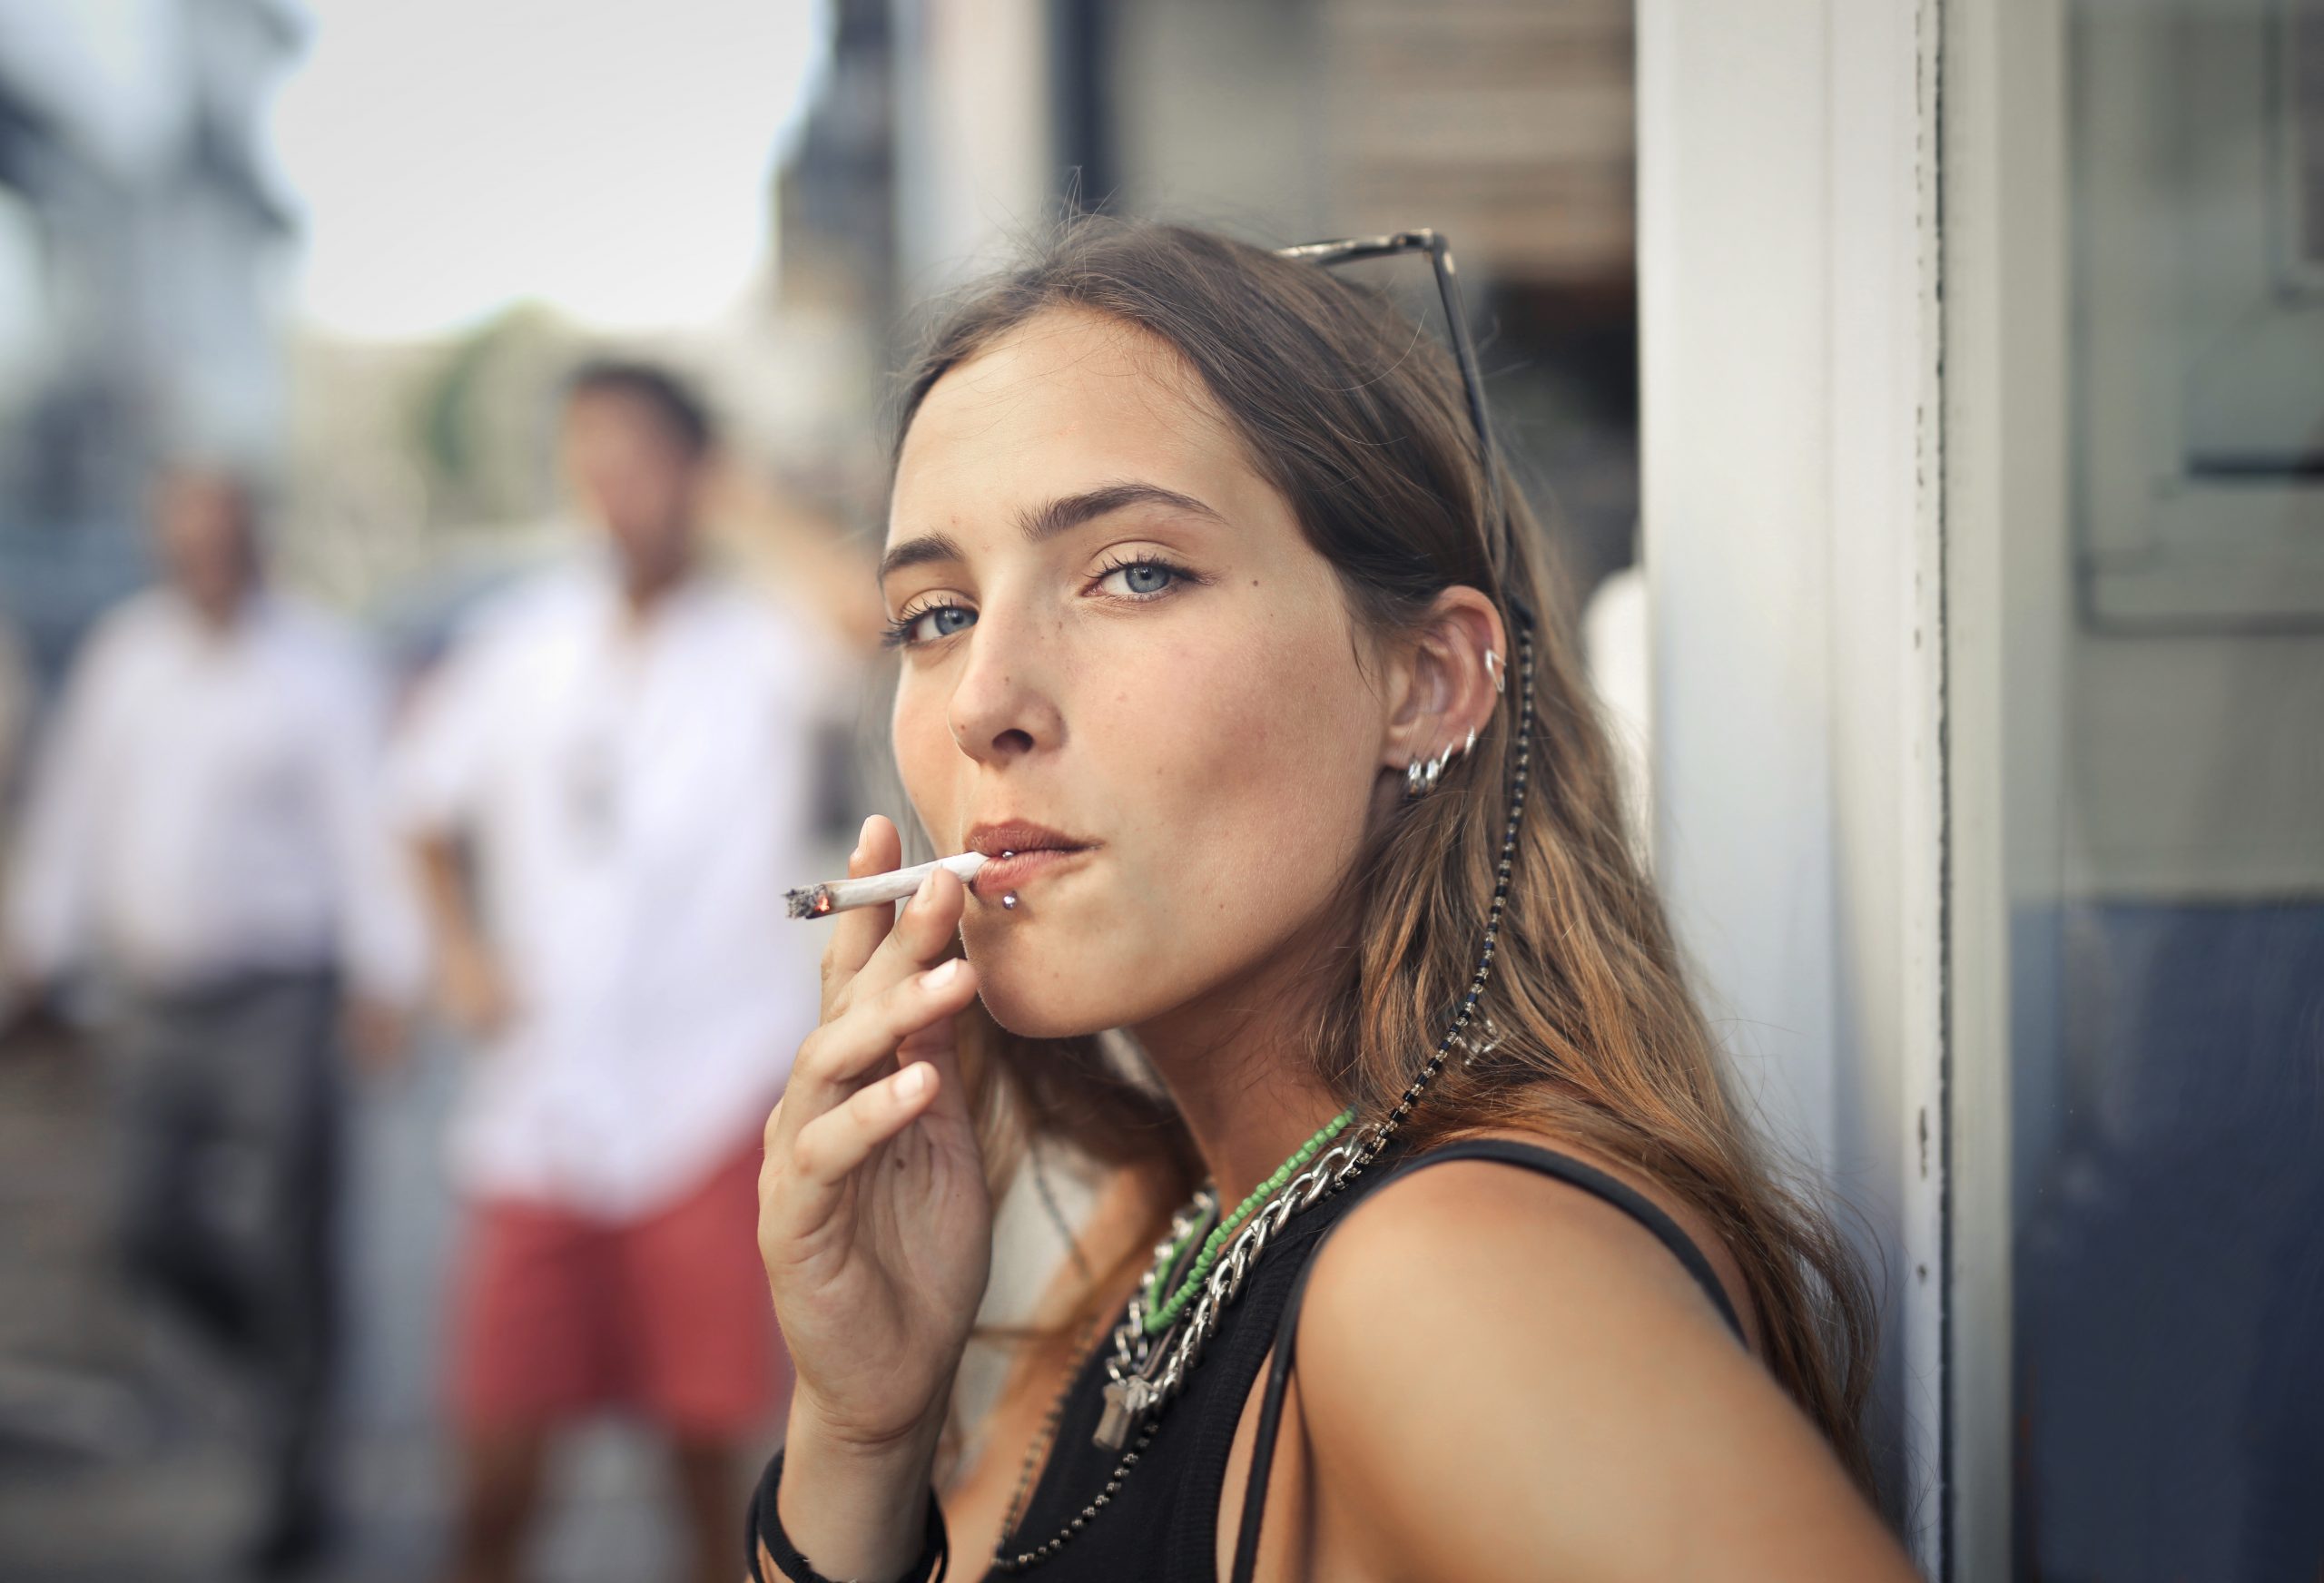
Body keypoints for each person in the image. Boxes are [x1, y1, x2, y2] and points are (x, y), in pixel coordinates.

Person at [748, 220, 1923, 1583]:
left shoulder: (1458, 1278)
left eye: (1134, 572)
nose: (982, 703)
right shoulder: (1180, 1239)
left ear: (1427, 682)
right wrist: (861, 1432)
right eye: (936, 615)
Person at [394, 361, 835, 1583]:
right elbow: (418, 803)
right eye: (588, 454)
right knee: (494, 1479)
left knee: (709, 1475)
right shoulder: (523, 640)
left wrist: (743, 504)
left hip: (710, 1102)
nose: (610, 483)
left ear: (698, 469)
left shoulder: (762, 639)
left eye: (639, 454)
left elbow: (868, 619)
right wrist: (459, 955)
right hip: (540, 1110)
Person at [3, 465, 420, 1575]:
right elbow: (77, 810)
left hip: (279, 995)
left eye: (221, 536)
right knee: (144, 1224)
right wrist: (39, 943)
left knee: (293, 1236)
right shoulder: (127, 656)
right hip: (157, 1001)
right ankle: (287, 1378)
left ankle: (298, 1475)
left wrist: (386, 976)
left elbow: (365, 825)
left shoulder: (315, 663)